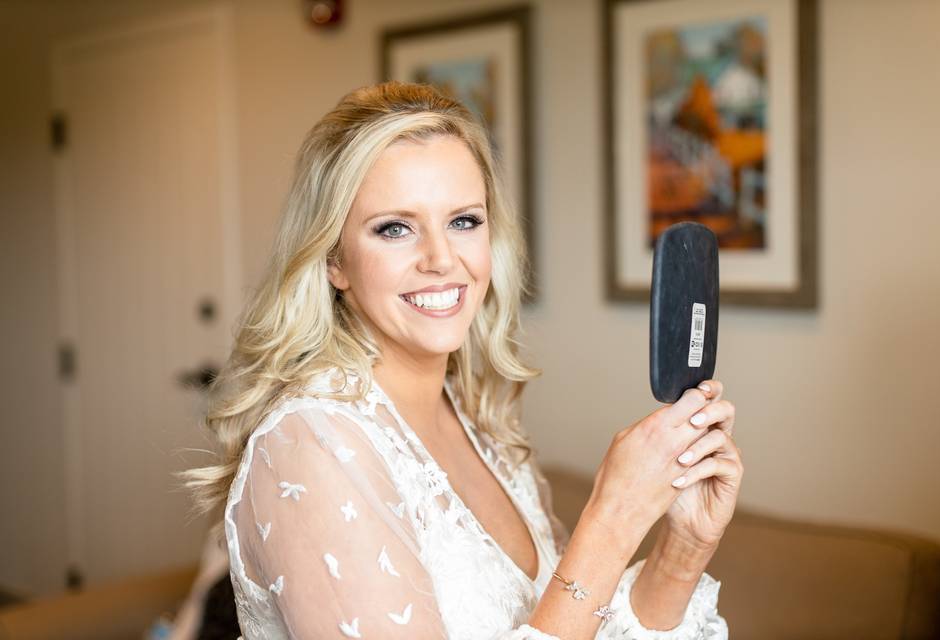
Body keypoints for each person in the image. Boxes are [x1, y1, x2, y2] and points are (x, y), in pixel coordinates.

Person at [182, 81, 742, 639]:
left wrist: (683, 548)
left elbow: (583, 626)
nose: (441, 259)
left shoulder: (479, 423)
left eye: (463, 221)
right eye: (395, 228)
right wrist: (611, 521)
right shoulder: (308, 446)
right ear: (334, 260)